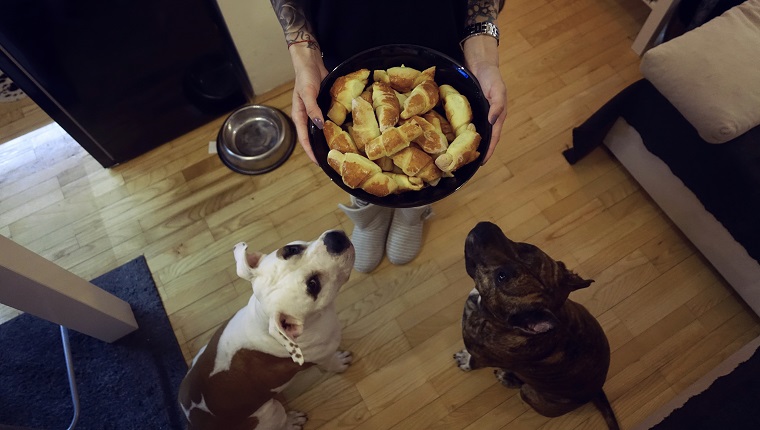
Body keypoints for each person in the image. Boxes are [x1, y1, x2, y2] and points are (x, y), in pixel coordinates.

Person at [269, 0, 507, 272]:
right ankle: (369, 211)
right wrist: (304, 53)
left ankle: (412, 209)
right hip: (342, 36)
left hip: (439, 31)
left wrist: (483, 53)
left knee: (432, 169)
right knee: (352, 142)